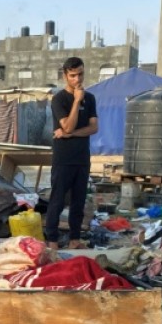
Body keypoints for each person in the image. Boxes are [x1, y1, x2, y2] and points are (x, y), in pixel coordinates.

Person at [44, 57, 98, 250]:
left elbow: (93, 128)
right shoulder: (59, 99)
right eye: (73, 75)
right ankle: (52, 242)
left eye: (80, 74)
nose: (77, 79)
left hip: (82, 158)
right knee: (57, 200)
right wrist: (76, 101)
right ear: (66, 76)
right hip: (63, 158)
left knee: (79, 201)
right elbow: (67, 124)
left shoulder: (90, 98)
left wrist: (70, 134)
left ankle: (75, 240)